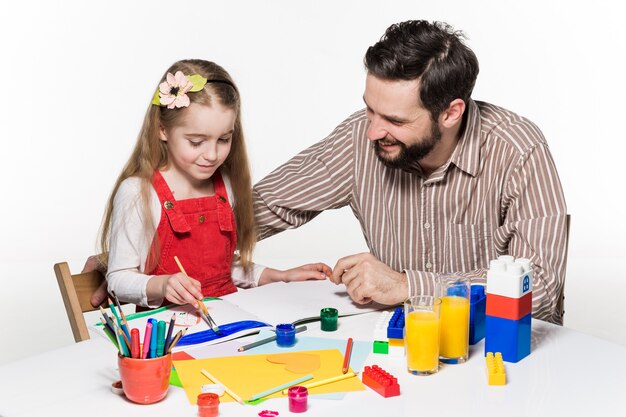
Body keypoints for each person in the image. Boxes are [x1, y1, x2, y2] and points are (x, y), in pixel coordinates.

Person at [252, 20, 568, 324]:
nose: (373, 132)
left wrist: (409, 287)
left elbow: (541, 287)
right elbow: (260, 207)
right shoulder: (360, 137)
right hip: (403, 347)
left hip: (496, 352)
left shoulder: (516, 148)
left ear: (450, 113)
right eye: (369, 109)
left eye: (396, 121)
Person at [98, 59, 330, 309]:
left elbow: (220, 268)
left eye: (223, 139)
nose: (212, 154)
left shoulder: (225, 185)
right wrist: (163, 285)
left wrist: (279, 276)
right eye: (197, 142)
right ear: (162, 130)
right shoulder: (138, 192)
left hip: (226, 318)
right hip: (168, 329)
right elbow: (118, 279)